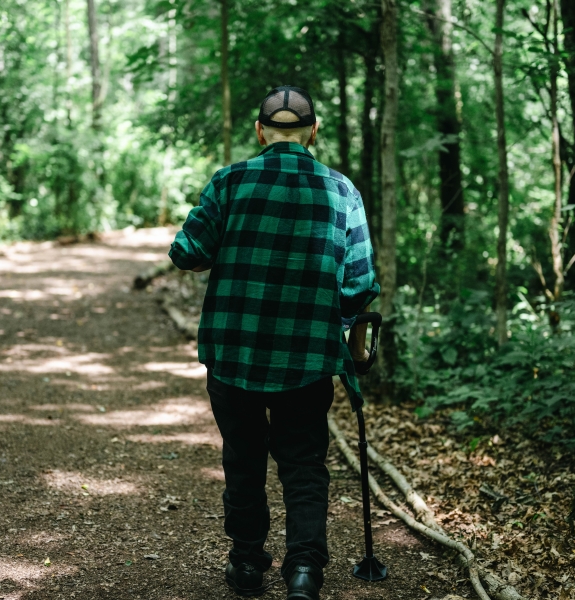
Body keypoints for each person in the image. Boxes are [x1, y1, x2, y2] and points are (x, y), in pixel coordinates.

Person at [168, 85, 379, 600]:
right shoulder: (340, 191)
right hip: (307, 356)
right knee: (304, 462)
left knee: (243, 455)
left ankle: (245, 565)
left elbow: (186, 252)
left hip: (234, 351)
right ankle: (304, 571)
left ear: (260, 131)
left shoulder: (231, 181)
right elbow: (358, 283)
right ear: (314, 131)